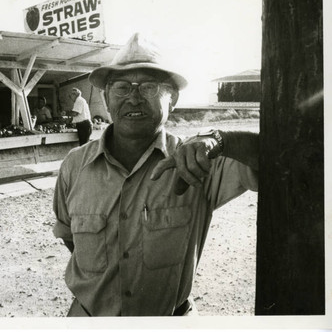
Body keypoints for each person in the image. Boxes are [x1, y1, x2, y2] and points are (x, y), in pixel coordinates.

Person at [52, 33, 258, 317]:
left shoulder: (199, 160)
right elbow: (69, 236)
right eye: (122, 88)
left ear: (172, 98)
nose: (133, 98)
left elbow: (283, 158)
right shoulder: (74, 166)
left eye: (149, 87)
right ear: (106, 98)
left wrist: (222, 139)